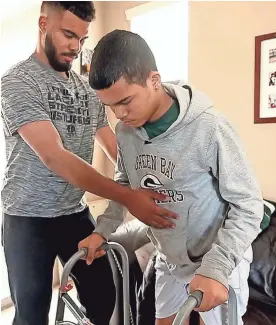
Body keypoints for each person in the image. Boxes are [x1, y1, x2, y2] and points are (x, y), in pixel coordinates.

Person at [0, 3, 177, 325]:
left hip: (74, 213)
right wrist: (127, 197)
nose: (75, 47)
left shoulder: (86, 87)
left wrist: (142, 177)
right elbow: (53, 155)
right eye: (68, 35)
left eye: (81, 39)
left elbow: (108, 138)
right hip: (27, 218)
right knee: (31, 314)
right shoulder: (17, 82)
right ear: (43, 24)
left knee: (104, 296)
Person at [79, 29, 264, 325]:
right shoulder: (126, 133)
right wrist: (103, 230)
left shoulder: (209, 128)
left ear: (154, 80)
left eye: (125, 101)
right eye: (110, 106)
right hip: (170, 258)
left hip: (216, 259)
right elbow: (125, 186)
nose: (119, 115)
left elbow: (249, 206)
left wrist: (215, 267)